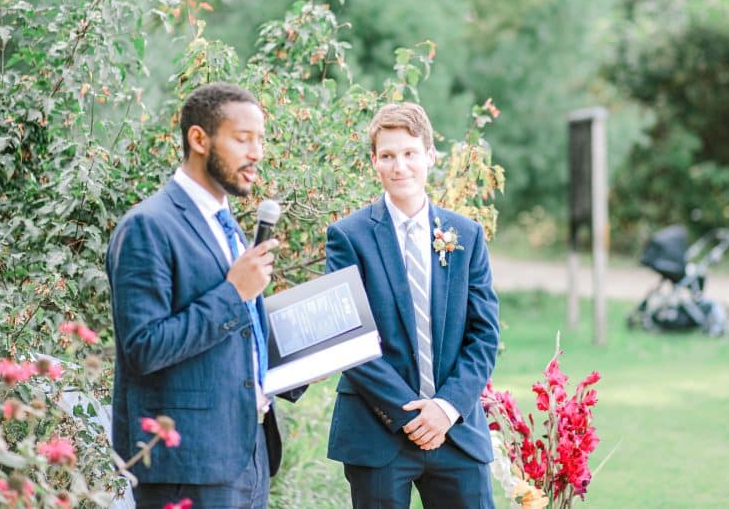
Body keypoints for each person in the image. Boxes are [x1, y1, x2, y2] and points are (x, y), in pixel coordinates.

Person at [108, 82, 299, 508]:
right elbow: (144, 346)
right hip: (187, 463)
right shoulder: (149, 226)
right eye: (242, 139)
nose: (257, 154)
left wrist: (306, 359)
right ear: (199, 139)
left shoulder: (226, 226)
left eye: (260, 140)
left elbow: (237, 338)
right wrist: (234, 293)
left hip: (247, 455)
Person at [325, 102, 500, 508]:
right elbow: (349, 338)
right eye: (387, 156)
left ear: (430, 156)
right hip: (378, 430)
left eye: (409, 153)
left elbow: (484, 334)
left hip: (456, 431)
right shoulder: (348, 237)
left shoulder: (466, 236)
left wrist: (446, 408)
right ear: (374, 161)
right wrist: (411, 416)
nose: (399, 166)